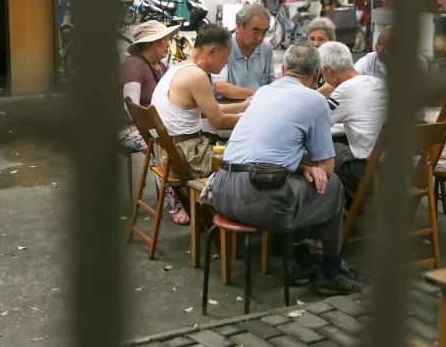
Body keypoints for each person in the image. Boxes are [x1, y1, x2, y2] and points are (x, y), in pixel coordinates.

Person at [207, 42, 365, 296]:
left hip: (221, 192)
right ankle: (330, 271)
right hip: (258, 199)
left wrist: (301, 167)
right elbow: (327, 166)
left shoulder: (263, 93)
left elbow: (268, 153)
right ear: (317, 75)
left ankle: (301, 261)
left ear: (283, 69)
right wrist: (309, 167)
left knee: (301, 183)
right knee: (331, 185)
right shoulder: (315, 100)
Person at [150, 24, 249, 223]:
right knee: (249, 162)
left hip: (166, 152)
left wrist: (242, 106)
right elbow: (219, 122)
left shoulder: (178, 68)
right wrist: (258, 119)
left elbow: (203, 111)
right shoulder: (197, 76)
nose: (226, 63)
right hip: (187, 155)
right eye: (225, 56)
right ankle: (233, 222)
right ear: (211, 51)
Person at [119, 21, 183, 222]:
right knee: (159, 151)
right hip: (126, 127)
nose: (168, 44)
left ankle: (183, 195)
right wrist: (157, 126)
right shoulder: (133, 65)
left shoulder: (161, 66)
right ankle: (174, 206)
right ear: (150, 43)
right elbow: (130, 109)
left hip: (152, 126)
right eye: (164, 40)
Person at [319, 42, 387, 202]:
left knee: (325, 149)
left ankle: (337, 203)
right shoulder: (379, 83)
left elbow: (317, 125)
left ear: (328, 70)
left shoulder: (344, 90)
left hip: (370, 174)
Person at [213, 4, 275, 100]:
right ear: (239, 26)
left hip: (259, 103)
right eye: (255, 31)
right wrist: (261, 94)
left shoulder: (266, 48)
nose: (260, 38)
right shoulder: (223, 47)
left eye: (264, 32)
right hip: (232, 104)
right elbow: (220, 87)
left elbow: (271, 82)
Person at [306, 17, 337, 95]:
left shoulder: (336, 61)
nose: (316, 43)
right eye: (312, 39)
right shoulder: (305, 59)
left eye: (320, 39)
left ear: (330, 40)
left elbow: (332, 86)